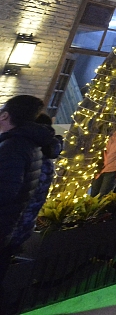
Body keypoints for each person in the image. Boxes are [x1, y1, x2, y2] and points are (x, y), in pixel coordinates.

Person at [0, 95, 47, 290]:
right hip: (11, 224)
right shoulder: (31, 144)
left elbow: (7, 190)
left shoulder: (14, 147)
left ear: (5, 115)